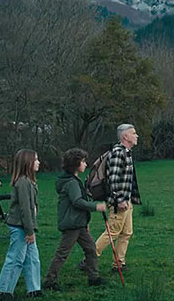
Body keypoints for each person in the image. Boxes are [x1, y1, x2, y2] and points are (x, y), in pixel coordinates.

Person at [43, 148, 107, 290]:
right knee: (62, 253)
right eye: (83, 161)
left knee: (91, 249)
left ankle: (94, 278)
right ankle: (49, 281)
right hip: (72, 224)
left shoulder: (74, 180)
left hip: (79, 223)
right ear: (75, 164)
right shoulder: (71, 182)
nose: (85, 164)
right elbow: (77, 201)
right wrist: (96, 207)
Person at [0, 149, 42, 299]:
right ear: (28, 163)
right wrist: (29, 231)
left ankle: (34, 289)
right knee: (15, 259)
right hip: (21, 227)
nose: (38, 162)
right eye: (35, 160)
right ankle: (3, 290)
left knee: (33, 259)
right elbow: (25, 209)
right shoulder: (23, 183)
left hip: (27, 227)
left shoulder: (29, 182)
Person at [93, 123, 142, 272]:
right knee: (113, 232)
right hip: (118, 202)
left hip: (126, 201)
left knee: (126, 233)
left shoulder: (127, 152)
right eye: (133, 133)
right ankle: (89, 258)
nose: (136, 135)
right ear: (125, 136)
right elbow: (113, 179)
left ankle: (119, 263)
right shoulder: (118, 153)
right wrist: (119, 199)